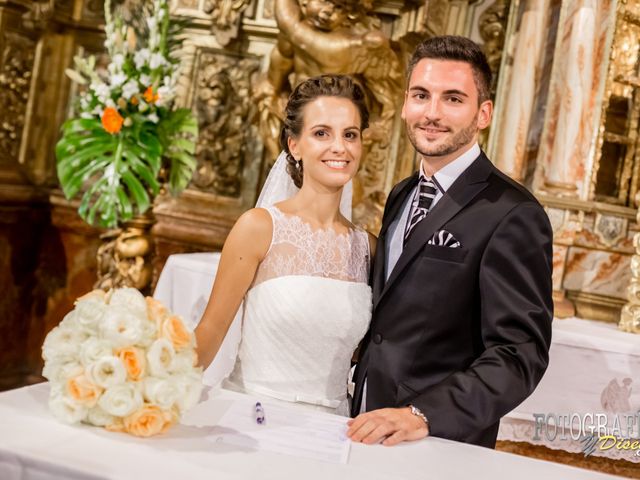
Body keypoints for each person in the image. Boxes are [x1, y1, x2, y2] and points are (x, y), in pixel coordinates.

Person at [347, 36, 553, 447]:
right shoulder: (401, 194)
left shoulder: (512, 213)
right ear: (406, 103)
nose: (432, 113)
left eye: (453, 99)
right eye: (421, 95)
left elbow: (519, 354)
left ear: (483, 113)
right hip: (364, 422)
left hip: (439, 442)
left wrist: (422, 416)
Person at [195, 74, 375, 415]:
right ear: (295, 145)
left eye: (350, 135)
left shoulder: (369, 248)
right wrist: (150, 376)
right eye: (322, 133)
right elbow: (209, 333)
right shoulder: (259, 228)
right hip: (253, 418)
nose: (340, 147)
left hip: (333, 431)